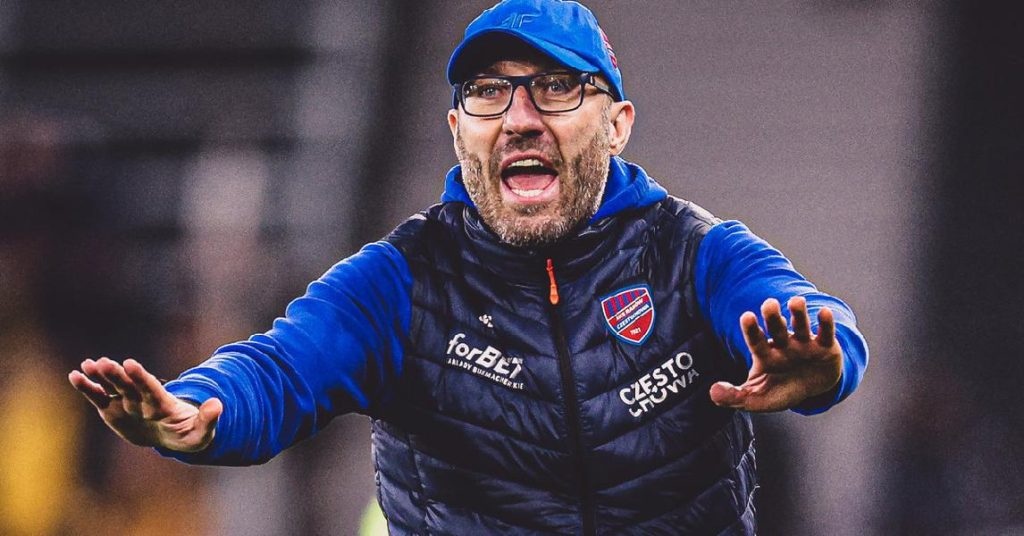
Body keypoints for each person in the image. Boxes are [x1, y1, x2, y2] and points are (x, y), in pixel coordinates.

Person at [68, 0, 868, 533]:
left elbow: (810, 317)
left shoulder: (695, 252)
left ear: (617, 123)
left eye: (556, 87)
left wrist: (825, 361)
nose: (519, 118)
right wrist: (198, 411)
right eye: (489, 92)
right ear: (458, 131)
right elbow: (278, 369)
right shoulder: (400, 281)